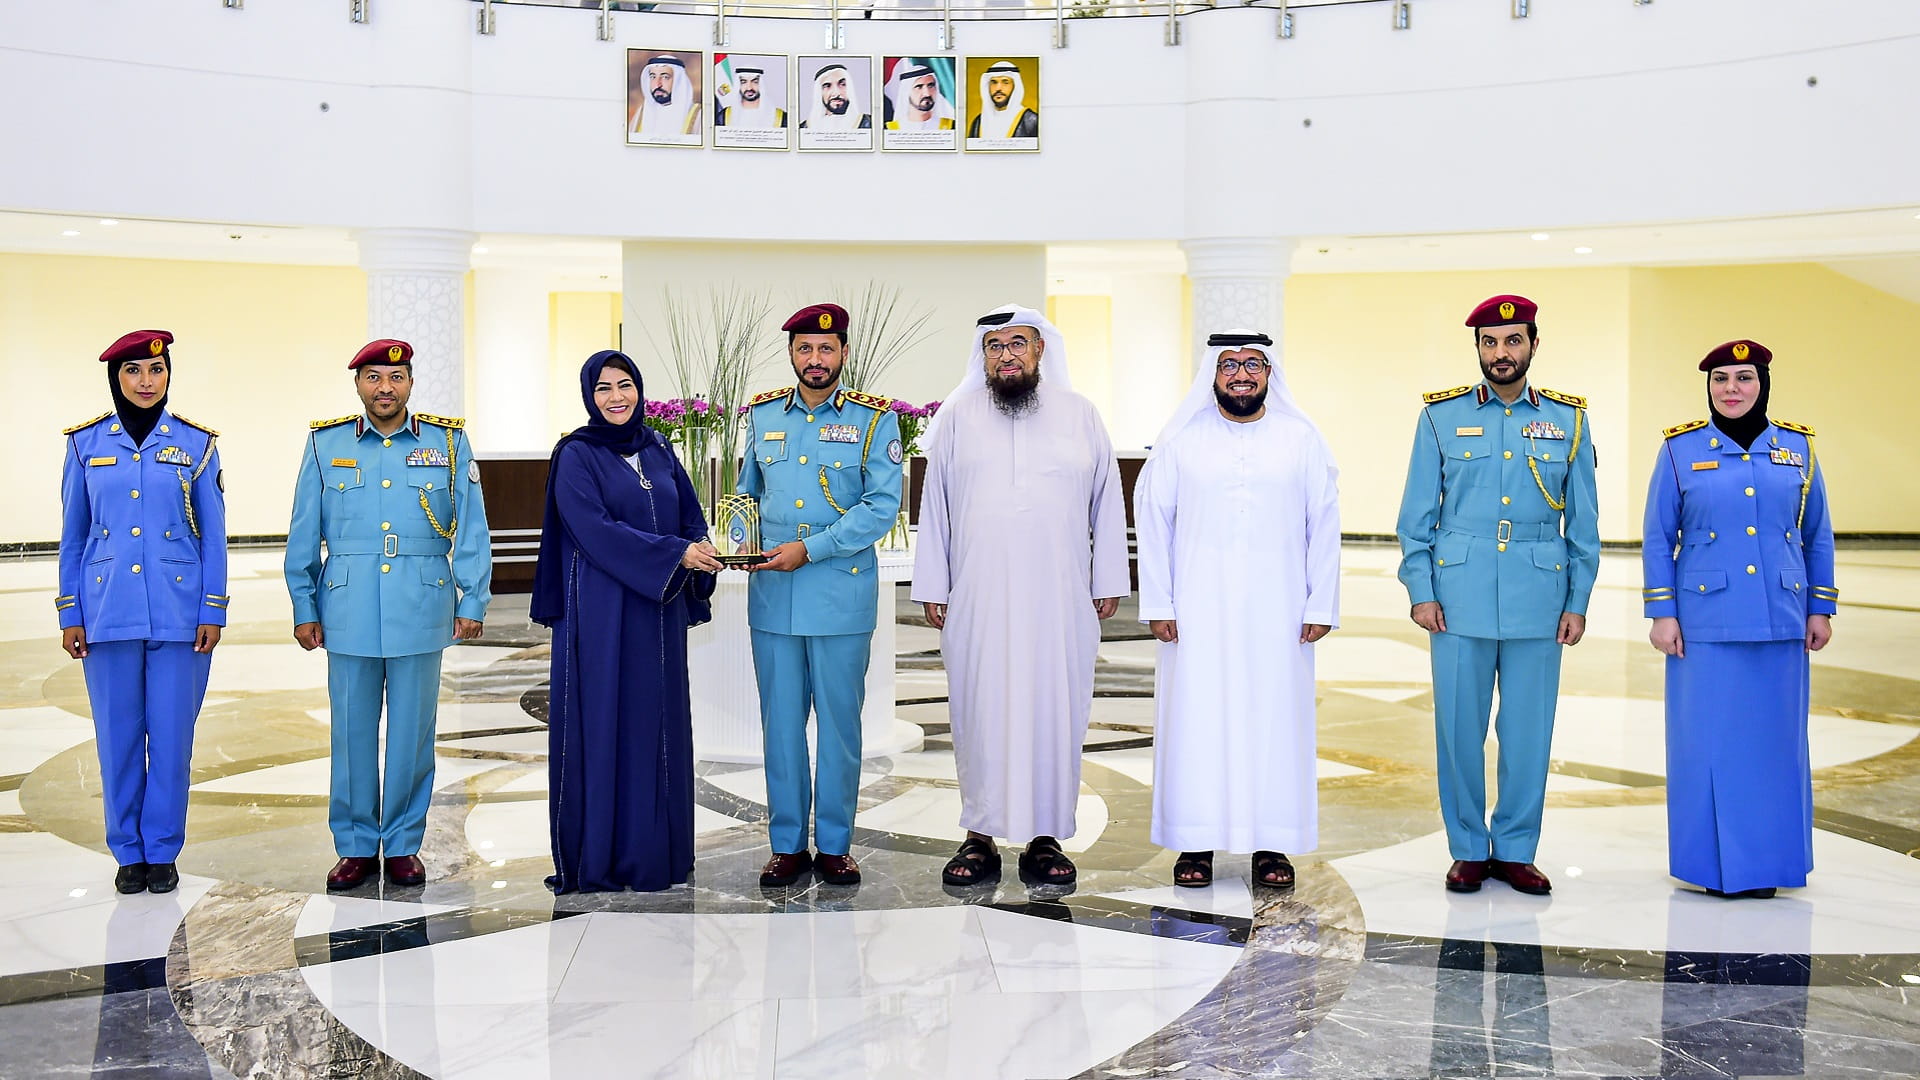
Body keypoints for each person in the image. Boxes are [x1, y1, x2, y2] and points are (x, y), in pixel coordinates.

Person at [912, 304, 1129, 887]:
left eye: (1017, 344)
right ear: (982, 356)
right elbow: (935, 507)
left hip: (1059, 598)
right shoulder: (958, 416)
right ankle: (978, 836)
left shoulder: (1081, 415)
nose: (1005, 355)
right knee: (979, 706)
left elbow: (1107, 500)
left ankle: (1046, 836)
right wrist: (933, 583)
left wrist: (1108, 577)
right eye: (994, 346)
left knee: (1055, 708)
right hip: (978, 593)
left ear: (1040, 351)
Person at [1395, 295, 1599, 896]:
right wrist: (1420, 588)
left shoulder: (1569, 421)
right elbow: (1416, 516)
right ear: (1478, 348)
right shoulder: (1439, 417)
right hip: (1458, 593)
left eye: (1513, 340)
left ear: (1534, 344)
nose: (1501, 353)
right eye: (1490, 342)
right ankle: (1465, 847)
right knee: (1458, 728)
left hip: (1541, 592)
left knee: (1529, 730)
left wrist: (1577, 598)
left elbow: (1584, 524)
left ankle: (1515, 847)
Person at [1134, 330, 1341, 890]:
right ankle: (1194, 843)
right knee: (1196, 717)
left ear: (1270, 372)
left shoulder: (1301, 438)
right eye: (1229, 365)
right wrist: (1158, 599)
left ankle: (1271, 845)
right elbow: (1153, 519)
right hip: (1196, 609)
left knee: (1276, 720)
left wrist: (1321, 601)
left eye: (1253, 364)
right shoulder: (1182, 439)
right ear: (1212, 373)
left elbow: (1323, 524)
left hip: (1281, 609)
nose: (1241, 374)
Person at [286, 339, 493, 892]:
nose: (385, 388)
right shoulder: (326, 444)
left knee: (411, 734)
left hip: (420, 605)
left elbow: (472, 526)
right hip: (348, 607)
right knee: (351, 734)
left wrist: (472, 599)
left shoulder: (447, 442)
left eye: (395, 378)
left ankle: (402, 843)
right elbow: (304, 530)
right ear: (358, 385)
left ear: (410, 383)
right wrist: (304, 604)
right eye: (374, 377)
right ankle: (354, 844)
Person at [1643, 339, 1835, 899]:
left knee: (1777, 746)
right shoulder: (1680, 451)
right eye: (1721, 378)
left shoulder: (1798, 448)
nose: (1732, 389)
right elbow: (1658, 536)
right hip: (1704, 621)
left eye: (1744, 378)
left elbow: (1815, 532)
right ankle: (1709, 866)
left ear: (1763, 383)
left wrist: (1819, 606)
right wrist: (1662, 612)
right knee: (1705, 745)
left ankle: (1770, 866)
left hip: (1780, 617)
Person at [532, 351, 722, 893]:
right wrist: (674, 555)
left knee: (656, 723)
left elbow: (688, 511)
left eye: (626, 385)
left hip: (656, 611)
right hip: (600, 614)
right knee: (606, 722)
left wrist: (699, 544)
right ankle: (602, 858)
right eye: (604, 388)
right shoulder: (576, 455)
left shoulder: (658, 446)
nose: (617, 397)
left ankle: (655, 855)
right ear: (588, 396)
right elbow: (594, 530)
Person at [740, 304, 903, 888]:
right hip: (774, 599)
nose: (816, 360)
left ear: (844, 354)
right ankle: (787, 844)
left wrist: (811, 549)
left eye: (826, 350)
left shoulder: (873, 421)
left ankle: (834, 843)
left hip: (840, 598)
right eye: (805, 349)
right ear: (791, 353)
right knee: (780, 726)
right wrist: (739, 542)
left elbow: (883, 507)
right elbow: (746, 499)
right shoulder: (760, 417)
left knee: (839, 727)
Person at [58, 330, 226, 896]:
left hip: (181, 613)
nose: (146, 381)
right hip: (106, 612)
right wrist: (70, 611)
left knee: (173, 737)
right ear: (116, 378)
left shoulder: (196, 444)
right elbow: (74, 536)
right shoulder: (84, 445)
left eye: (155, 369)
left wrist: (213, 607)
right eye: (133, 371)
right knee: (117, 736)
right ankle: (127, 850)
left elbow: (214, 536)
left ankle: (162, 848)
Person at [632, 55, 701, 137]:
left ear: (678, 82)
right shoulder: (641, 113)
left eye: (665, 77)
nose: (657, 85)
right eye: (653, 77)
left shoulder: (697, 115)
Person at [967, 61, 1038, 140]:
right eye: (994, 82)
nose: (998, 88)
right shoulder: (979, 122)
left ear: (1015, 87)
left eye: (1005, 82)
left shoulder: (1032, 121)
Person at [885, 59, 955, 130]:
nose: (927, 94)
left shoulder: (951, 126)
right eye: (919, 87)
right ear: (906, 92)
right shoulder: (890, 129)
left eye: (931, 86)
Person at [800, 63, 872, 130]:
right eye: (827, 86)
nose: (836, 93)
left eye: (843, 84)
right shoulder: (804, 127)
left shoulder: (870, 123)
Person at [719, 66, 786, 128]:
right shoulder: (724, 116)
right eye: (743, 82)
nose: (749, 87)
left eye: (755, 82)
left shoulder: (780, 117)